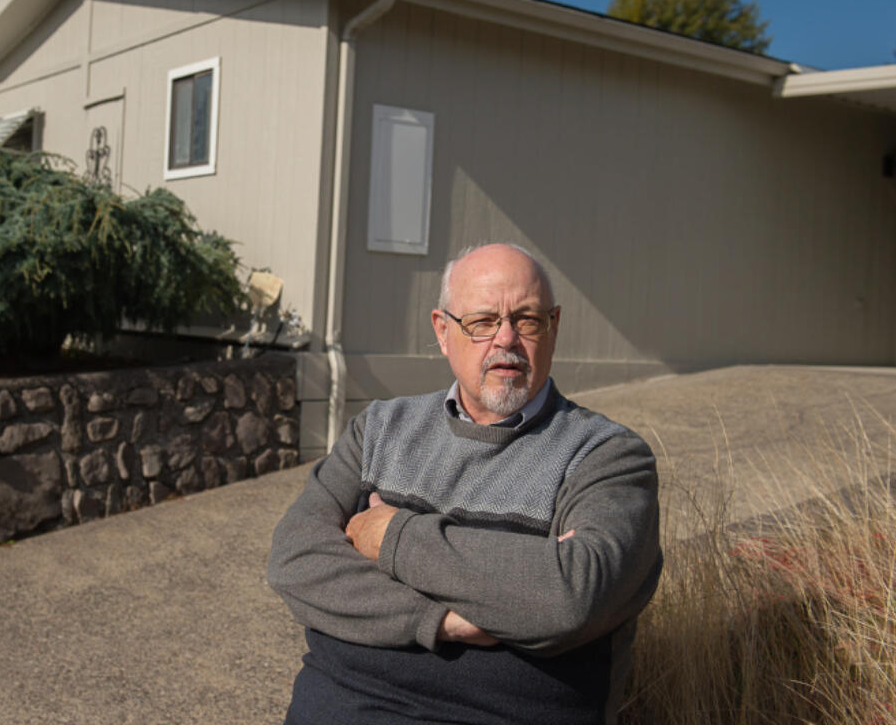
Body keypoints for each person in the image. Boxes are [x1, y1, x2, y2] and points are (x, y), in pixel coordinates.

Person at [267, 243, 662, 725]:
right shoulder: (380, 429)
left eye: (529, 320)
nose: (507, 340)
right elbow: (295, 557)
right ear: (442, 330)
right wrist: (445, 621)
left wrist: (389, 535)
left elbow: (570, 595)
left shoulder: (607, 456)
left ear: (553, 327)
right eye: (481, 321)